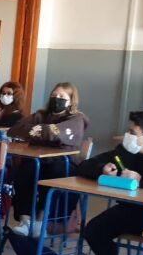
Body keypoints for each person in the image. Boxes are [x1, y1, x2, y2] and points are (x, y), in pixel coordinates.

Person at [78, 110, 143, 255]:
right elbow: (85, 165)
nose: (127, 136)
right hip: (133, 210)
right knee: (94, 230)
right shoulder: (126, 151)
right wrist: (102, 169)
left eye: (132, 133)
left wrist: (141, 181)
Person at [7, 82, 89, 237]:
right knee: (25, 170)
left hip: (64, 163)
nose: (56, 99)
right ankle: (25, 220)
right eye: (54, 95)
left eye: (61, 96)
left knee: (53, 173)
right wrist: (42, 130)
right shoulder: (41, 115)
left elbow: (57, 133)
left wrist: (37, 130)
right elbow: (15, 129)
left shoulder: (77, 119)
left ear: (70, 101)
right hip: (39, 160)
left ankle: (41, 221)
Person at [0, 53, 26, 128]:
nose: (5, 95)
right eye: (3, 93)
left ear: (16, 96)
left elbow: (1, 124)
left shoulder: (17, 116)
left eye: (9, 93)